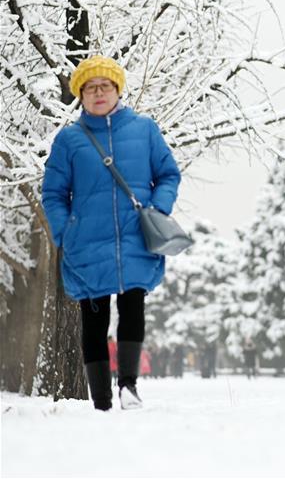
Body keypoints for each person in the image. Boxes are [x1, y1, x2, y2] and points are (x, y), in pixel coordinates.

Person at [41, 55, 182, 411]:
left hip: (135, 236)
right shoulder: (69, 140)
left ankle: (129, 387)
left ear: (117, 90)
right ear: (81, 96)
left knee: (134, 304)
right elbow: (54, 193)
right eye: (89, 88)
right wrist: (64, 232)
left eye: (105, 86)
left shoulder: (144, 129)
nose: (98, 93)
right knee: (94, 317)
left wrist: (158, 208)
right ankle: (101, 399)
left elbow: (168, 174)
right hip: (86, 241)